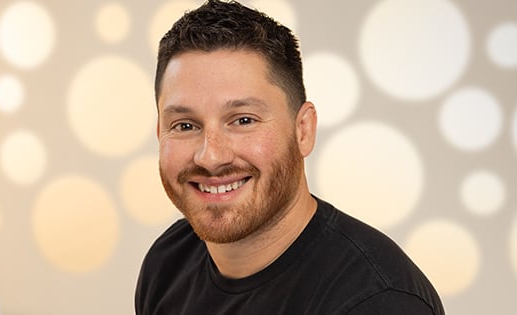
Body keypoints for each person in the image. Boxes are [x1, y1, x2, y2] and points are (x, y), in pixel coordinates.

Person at [135, 0, 445, 314]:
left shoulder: (377, 301)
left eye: (243, 120)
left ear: (303, 131)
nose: (211, 156)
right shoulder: (169, 262)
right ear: (160, 134)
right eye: (185, 125)